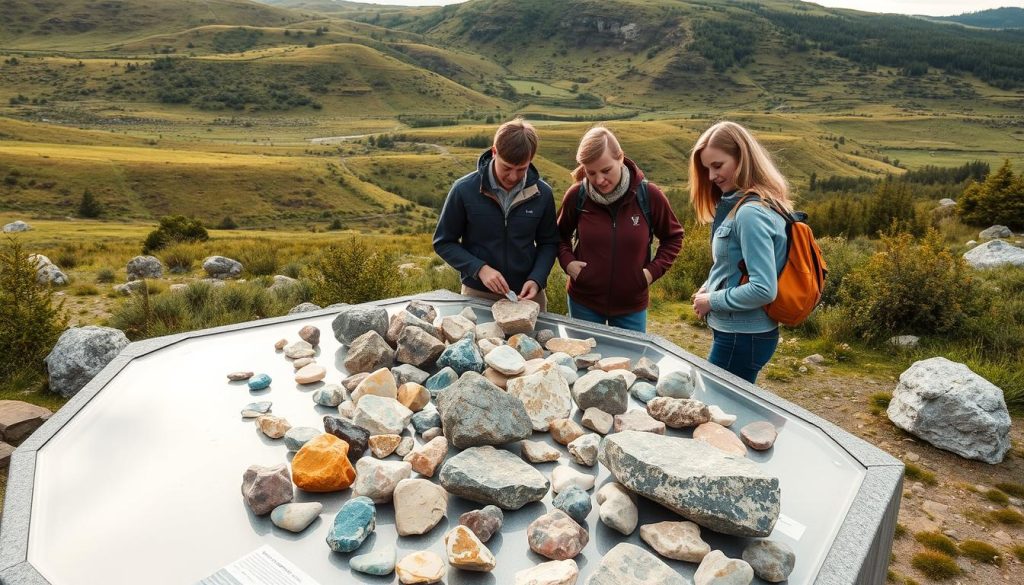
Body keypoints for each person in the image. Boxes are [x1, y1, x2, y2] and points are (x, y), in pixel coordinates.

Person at [690, 121, 792, 383]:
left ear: (742, 158)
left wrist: (712, 300)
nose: (711, 177)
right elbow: (734, 265)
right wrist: (708, 287)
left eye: (717, 165)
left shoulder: (750, 213)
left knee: (712, 408)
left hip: (743, 336)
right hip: (741, 334)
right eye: (706, 168)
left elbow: (763, 288)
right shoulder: (753, 204)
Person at [556, 127, 683, 332]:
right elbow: (558, 235)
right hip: (583, 302)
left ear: (620, 158)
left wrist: (650, 273)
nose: (599, 180)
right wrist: (568, 262)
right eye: (591, 172)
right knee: (582, 362)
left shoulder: (648, 195)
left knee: (629, 363)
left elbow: (674, 237)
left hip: (631, 307)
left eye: (606, 170)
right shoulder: (576, 196)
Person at [433, 118, 559, 310]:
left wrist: (537, 279)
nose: (513, 176)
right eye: (507, 167)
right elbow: (443, 242)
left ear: (531, 159)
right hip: (477, 295)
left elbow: (549, 243)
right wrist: (480, 269)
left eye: (522, 169)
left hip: (529, 297)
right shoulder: (464, 190)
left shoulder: (543, 194)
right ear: (494, 152)